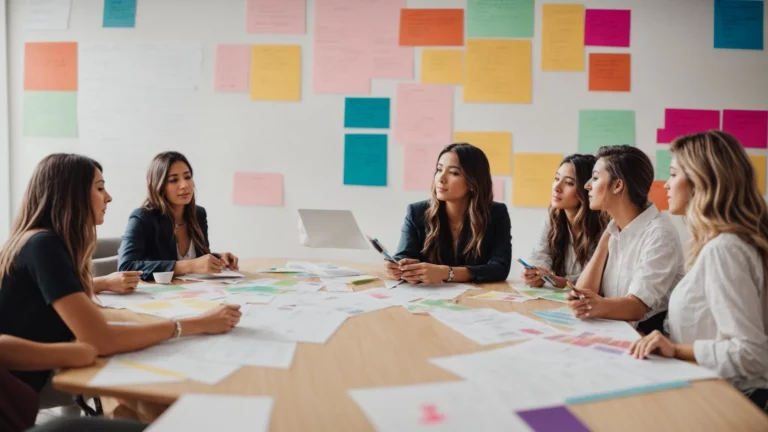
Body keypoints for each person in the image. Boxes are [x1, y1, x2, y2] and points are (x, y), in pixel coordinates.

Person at [0, 154, 241, 401]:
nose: (109, 197)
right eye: (100, 188)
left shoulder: (40, 241)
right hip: (17, 390)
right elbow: (100, 340)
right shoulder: (44, 245)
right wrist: (196, 323)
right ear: (70, 194)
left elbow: (88, 328)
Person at [629, 131, 768, 413]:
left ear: (700, 181)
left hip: (733, 401)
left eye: (673, 174)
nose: (666, 185)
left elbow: (752, 353)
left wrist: (675, 349)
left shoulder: (725, 249)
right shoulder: (719, 244)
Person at [566, 145, 684, 334]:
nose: (587, 185)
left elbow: (636, 307)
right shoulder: (615, 229)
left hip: (644, 339)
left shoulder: (659, 234)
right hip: (615, 333)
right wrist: (605, 240)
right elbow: (582, 292)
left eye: (595, 178)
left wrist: (593, 304)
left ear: (617, 185)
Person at [386, 143, 511, 284]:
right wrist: (398, 267)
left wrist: (446, 273)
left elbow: (500, 268)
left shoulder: (496, 214)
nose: (441, 178)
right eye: (439, 170)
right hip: (428, 297)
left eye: (453, 173)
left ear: (472, 182)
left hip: (476, 298)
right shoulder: (416, 212)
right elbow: (405, 255)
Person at [118, 152, 239, 281]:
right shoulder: (142, 218)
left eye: (187, 177)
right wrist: (190, 266)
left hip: (195, 293)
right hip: (158, 296)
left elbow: (198, 259)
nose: (184, 185)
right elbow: (126, 267)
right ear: (159, 186)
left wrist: (218, 258)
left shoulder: (199, 214)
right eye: (173, 180)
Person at [522, 154, 609, 288]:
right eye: (556, 178)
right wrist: (537, 272)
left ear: (587, 188)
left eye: (569, 183)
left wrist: (560, 281)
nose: (557, 187)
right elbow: (541, 253)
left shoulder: (604, 225)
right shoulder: (554, 216)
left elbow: (600, 279)